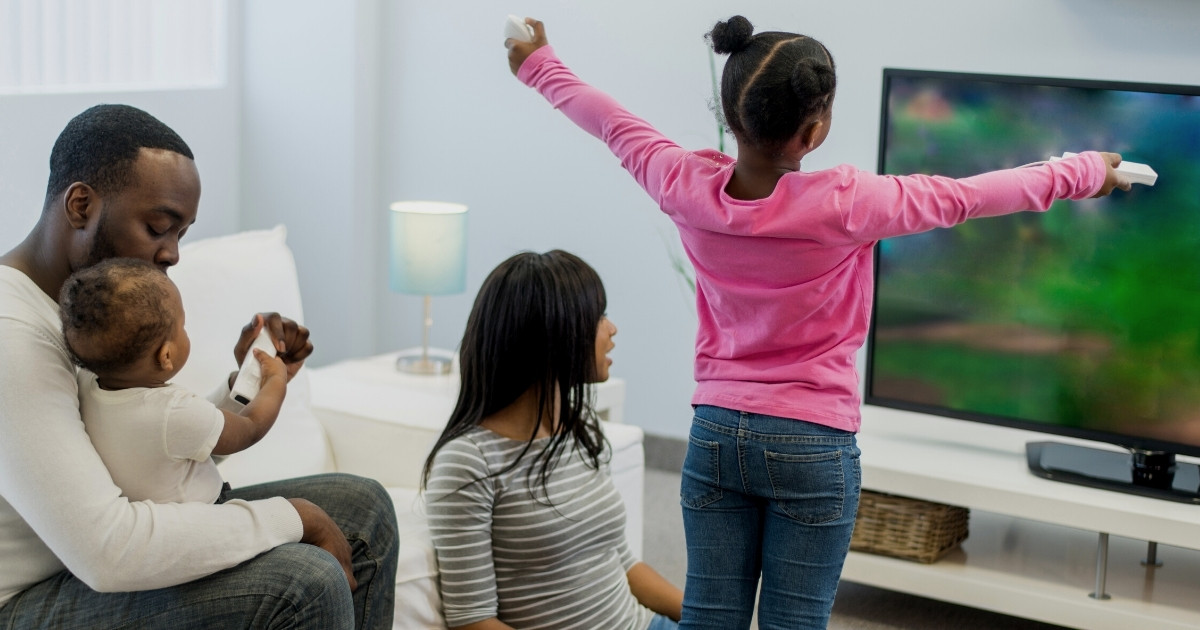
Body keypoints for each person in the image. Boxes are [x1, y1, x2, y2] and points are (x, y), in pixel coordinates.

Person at [504, 15, 1130, 630]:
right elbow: (970, 196)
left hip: (716, 435)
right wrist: (1086, 171)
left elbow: (610, 122)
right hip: (813, 442)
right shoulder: (848, 205)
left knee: (708, 618)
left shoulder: (681, 182)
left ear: (731, 115)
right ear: (814, 130)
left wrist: (538, 63)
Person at [0, 104, 397, 629]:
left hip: (84, 567)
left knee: (361, 509)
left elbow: (154, 453)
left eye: (181, 234)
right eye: (158, 227)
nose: (172, 255)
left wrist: (250, 383)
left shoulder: (85, 314)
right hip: (29, 599)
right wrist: (289, 517)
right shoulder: (13, 335)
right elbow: (108, 551)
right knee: (303, 580)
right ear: (80, 205)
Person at [422, 250, 683, 630]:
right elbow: (473, 621)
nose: (611, 330)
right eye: (597, 317)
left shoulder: (578, 429)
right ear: (554, 335)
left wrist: (707, 615)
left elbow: (622, 562)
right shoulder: (468, 462)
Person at [60, 257, 287, 505]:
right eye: (182, 326)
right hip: (209, 518)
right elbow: (249, 427)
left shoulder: (87, 382)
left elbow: (200, 429)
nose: (185, 331)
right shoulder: (172, 410)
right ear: (166, 355)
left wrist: (241, 381)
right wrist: (276, 380)